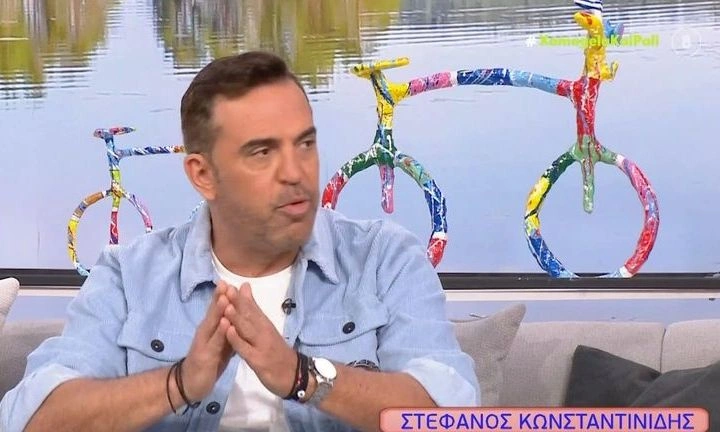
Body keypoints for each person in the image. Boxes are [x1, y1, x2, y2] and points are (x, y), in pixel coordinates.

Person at [0, 51, 479, 432]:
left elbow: (454, 418)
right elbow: (32, 420)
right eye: (262, 152)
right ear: (203, 175)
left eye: (305, 144)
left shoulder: (385, 259)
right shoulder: (128, 275)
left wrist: (303, 377)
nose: (296, 172)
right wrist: (178, 384)